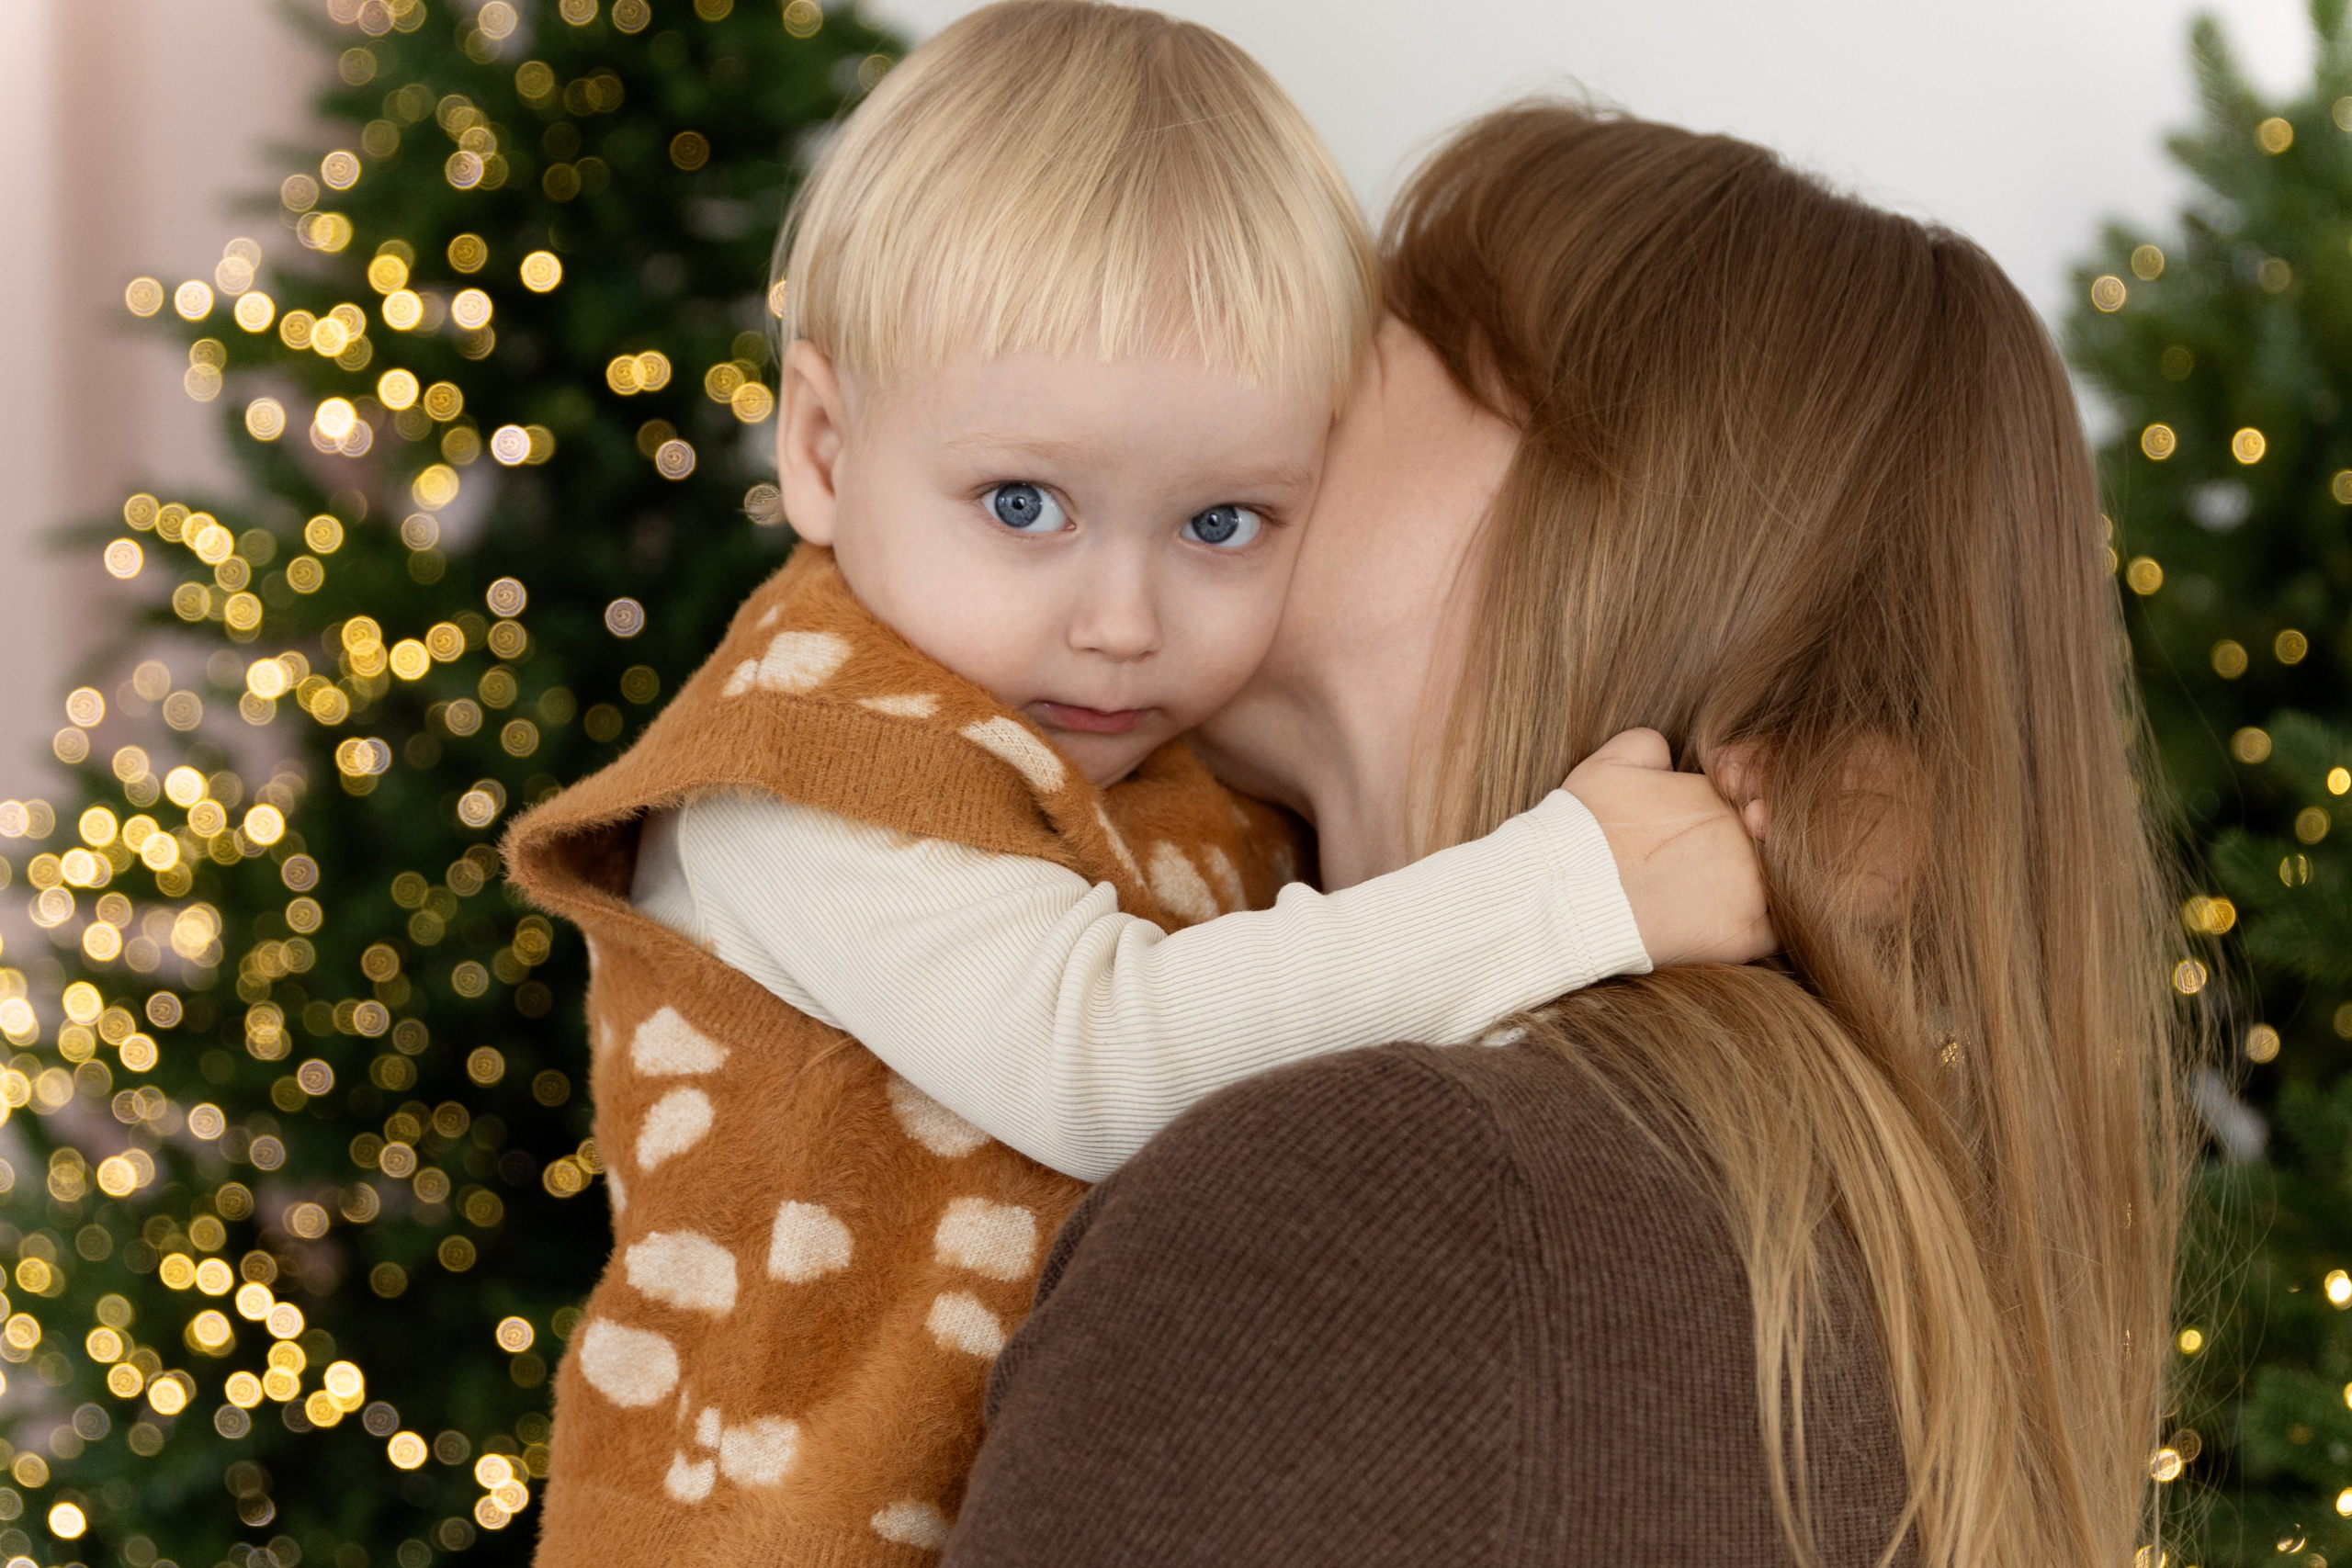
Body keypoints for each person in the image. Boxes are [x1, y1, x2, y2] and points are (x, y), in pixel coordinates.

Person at [504, 14, 1767, 1563]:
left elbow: (1321, 1027)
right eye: (1023, 504)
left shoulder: (1154, 763)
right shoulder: (809, 777)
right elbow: (1105, 1058)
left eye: (1222, 522)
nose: (1123, 618)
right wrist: (1568, 889)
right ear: (824, 447)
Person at [945, 103, 2186, 1568]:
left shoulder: (1386, 1196)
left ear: (1610, 513)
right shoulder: (1815, 1255)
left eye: (1397, 317)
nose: (1297, 374)